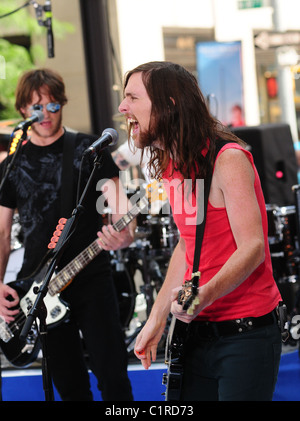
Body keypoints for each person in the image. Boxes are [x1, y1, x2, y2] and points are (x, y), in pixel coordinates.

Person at [118, 61, 283, 401]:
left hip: (244, 333)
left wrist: (204, 294)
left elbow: (253, 247)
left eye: (133, 98)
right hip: (195, 331)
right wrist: (156, 318)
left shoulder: (228, 159)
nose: (123, 108)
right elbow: (187, 245)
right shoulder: (172, 164)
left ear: (169, 104)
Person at [0, 68, 134, 401]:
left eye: (52, 106)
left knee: (113, 379)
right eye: (35, 107)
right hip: (39, 289)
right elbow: (1, 234)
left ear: (62, 104)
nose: (44, 114)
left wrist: (124, 235)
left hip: (91, 278)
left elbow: (122, 215)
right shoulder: (12, 165)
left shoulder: (90, 150)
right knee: (70, 387)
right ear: (22, 110)